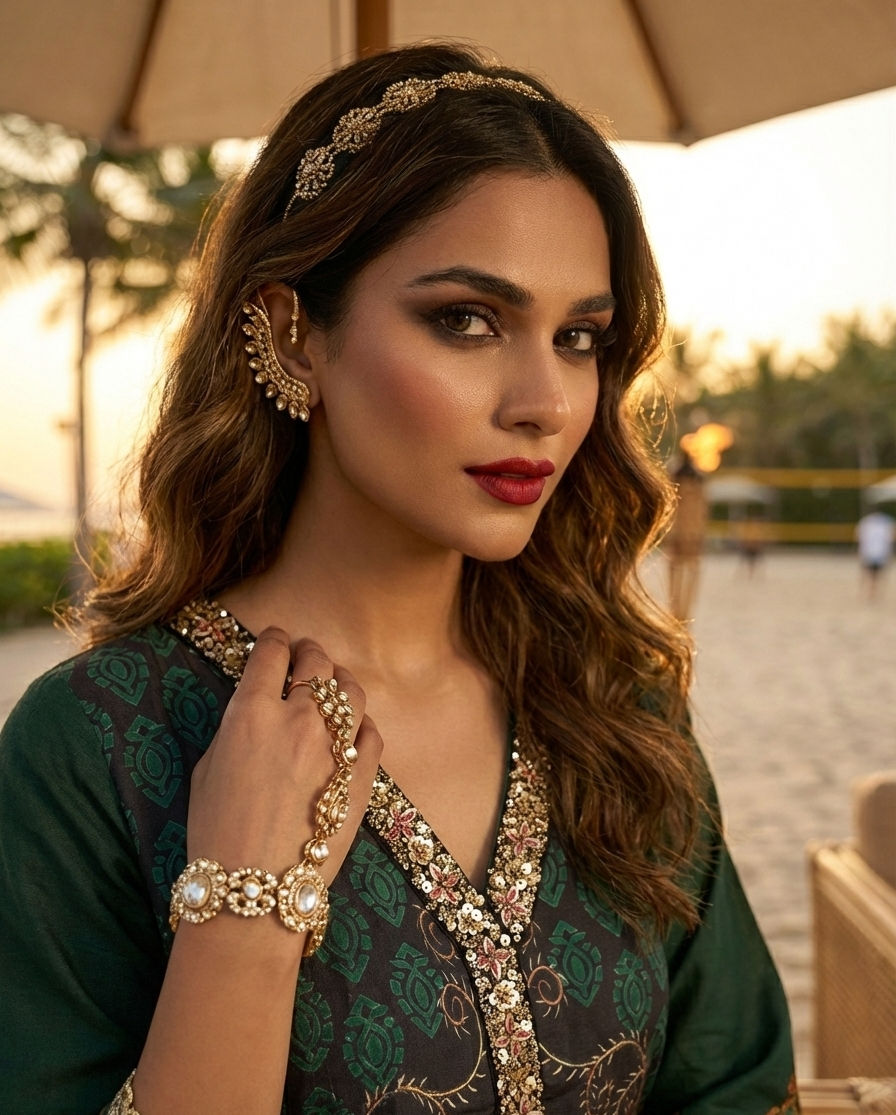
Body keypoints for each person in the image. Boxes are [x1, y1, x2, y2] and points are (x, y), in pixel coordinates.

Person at [0, 44, 797, 1115]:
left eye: (576, 337)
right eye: (466, 319)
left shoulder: (614, 706)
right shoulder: (99, 743)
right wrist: (243, 909)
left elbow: (736, 1084)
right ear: (291, 333)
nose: (544, 401)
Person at [666, 455, 708, 621]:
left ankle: (682, 615)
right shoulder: (683, 490)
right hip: (683, 534)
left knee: (687, 570)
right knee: (681, 570)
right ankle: (677, 613)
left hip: (690, 534)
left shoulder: (696, 491)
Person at [856, 508, 894, 599]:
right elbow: (892, 537)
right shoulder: (887, 522)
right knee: (876, 575)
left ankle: (868, 593)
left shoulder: (865, 522)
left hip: (869, 552)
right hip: (880, 553)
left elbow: (858, 536)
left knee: (869, 574)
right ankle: (872, 593)